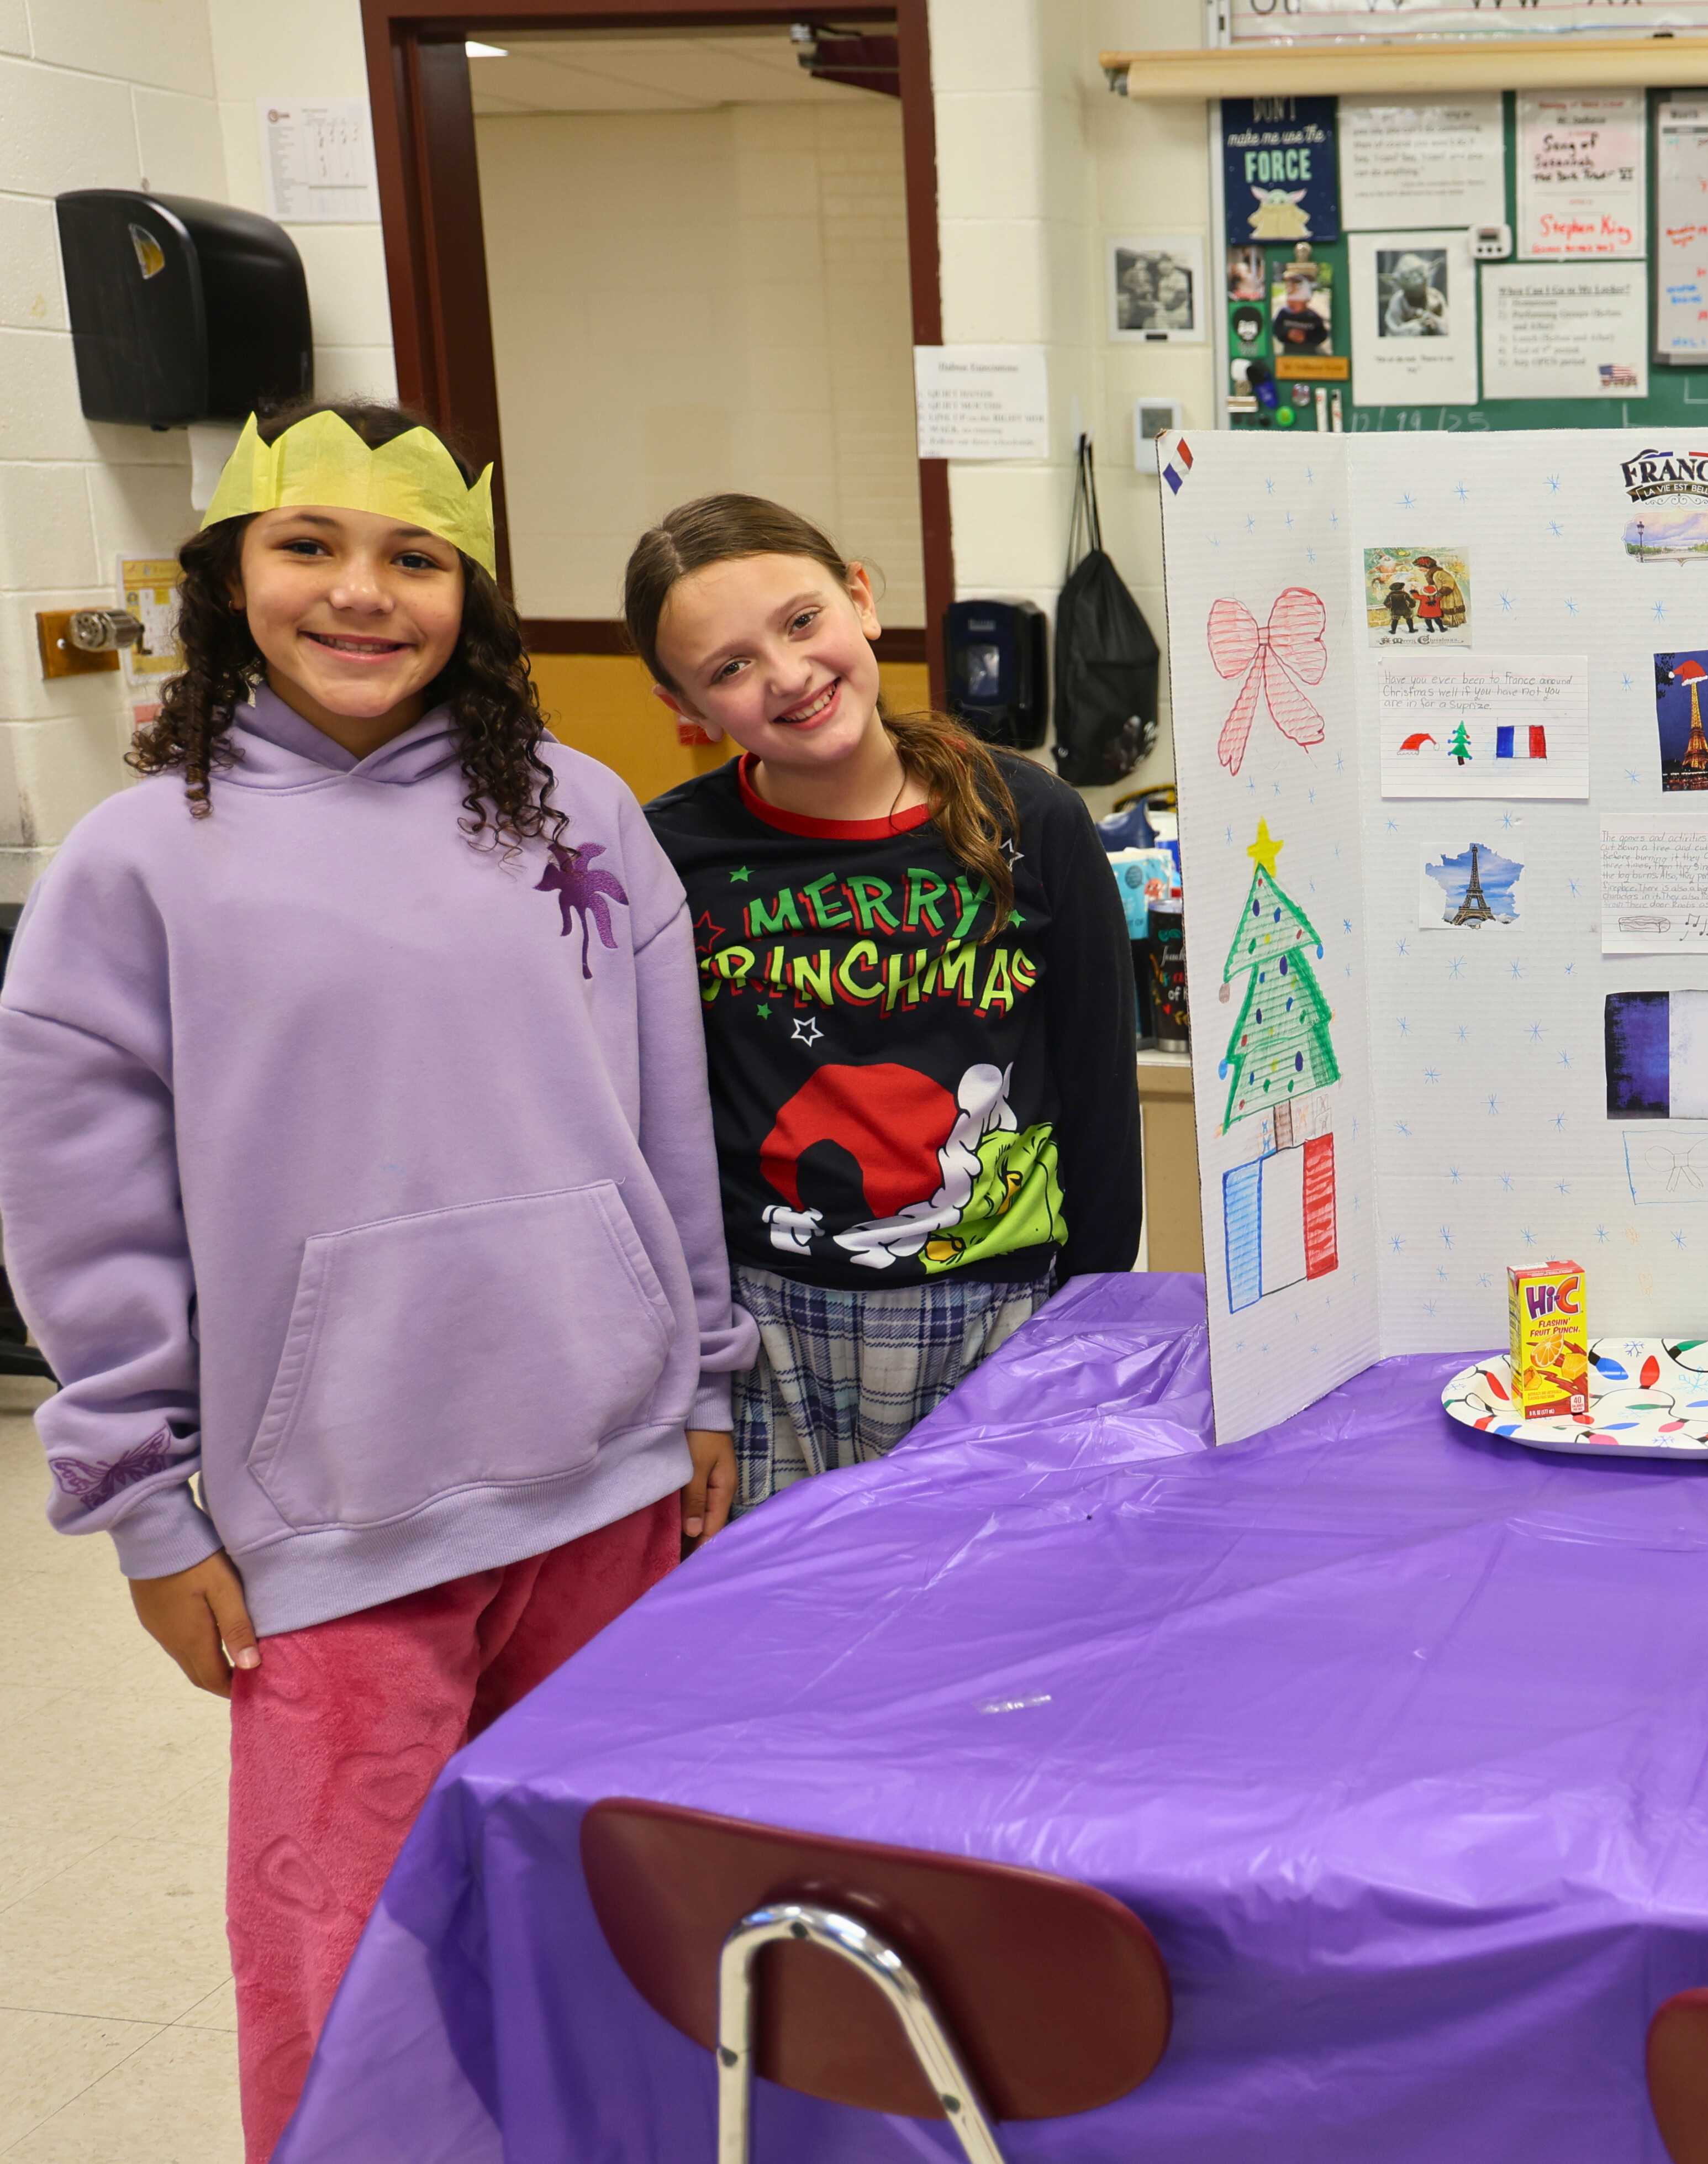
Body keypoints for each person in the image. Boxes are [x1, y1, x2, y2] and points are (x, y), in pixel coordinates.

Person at [0, 399, 752, 2160]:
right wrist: (139, 1501)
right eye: (309, 548)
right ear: (228, 577)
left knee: (606, 1916)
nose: (363, 593)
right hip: (332, 1531)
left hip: (612, 1485)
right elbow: (81, 1206)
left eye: (415, 555)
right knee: (348, 1966)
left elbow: (664, 1123)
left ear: (473, 595)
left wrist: (699, 1377)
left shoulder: (580, 816)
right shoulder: (139, 862)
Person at [628, 495, 1141, 1510]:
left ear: (862, 599)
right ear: (681, 703)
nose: (786, 676)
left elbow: (1097, 1099)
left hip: (1005, 1312)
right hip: (769, 1331)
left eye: (801, 620)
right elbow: (658, 1127)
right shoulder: (667, 854)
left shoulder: (1028, 817)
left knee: (991, 1622)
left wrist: (1087, 1326)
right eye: (729, 668)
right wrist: (697, 1383)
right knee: (798, 1635)